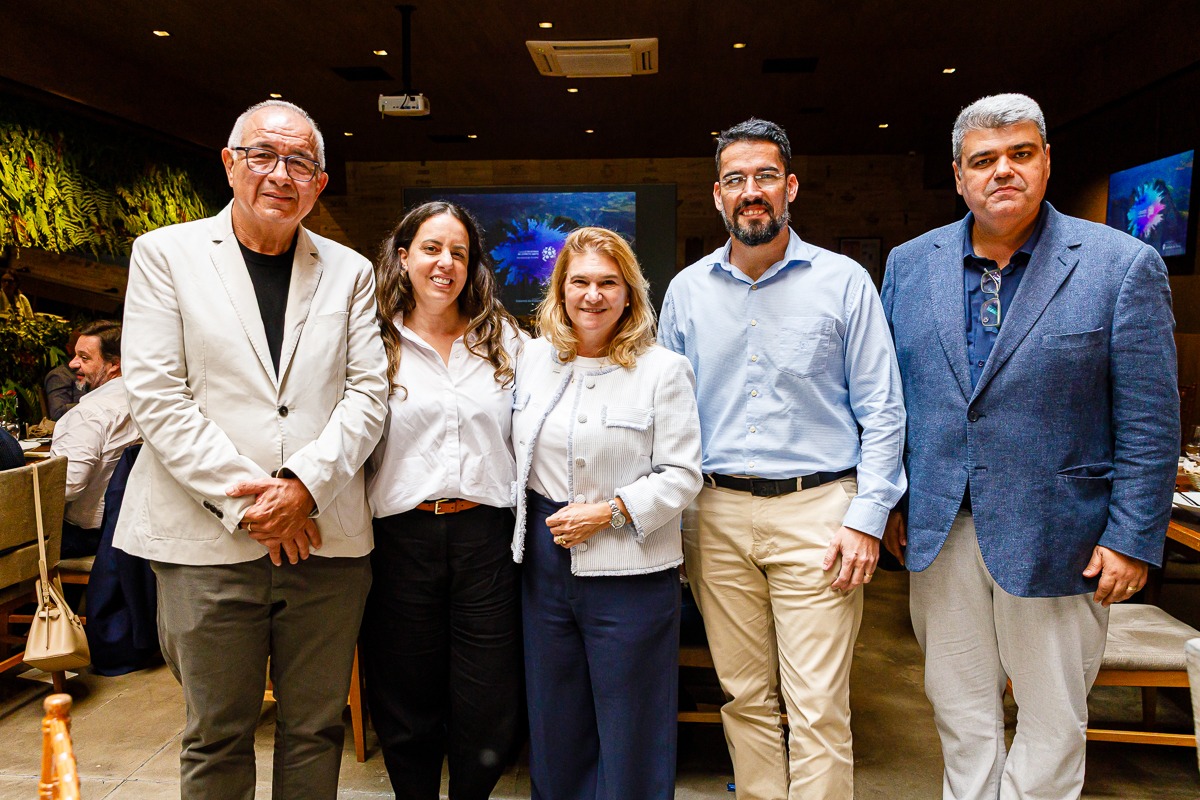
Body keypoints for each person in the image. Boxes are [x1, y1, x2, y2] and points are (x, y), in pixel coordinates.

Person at [881, 93, 1178, 800]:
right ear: (959, 176)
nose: (1002, 171)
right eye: (983, 160)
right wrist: (889, 502)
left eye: (1020, 154)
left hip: (1062, 534)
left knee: (1052, 719)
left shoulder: (1121, 265)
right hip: (939, 527)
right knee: (959, 711)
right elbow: (888, 400)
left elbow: (1149, 419)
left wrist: (1132, 537)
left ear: (1046, 161)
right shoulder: (909, 265)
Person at [114, 99, 389, 800]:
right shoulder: (166, 255)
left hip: (325, 541)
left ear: (319, 183)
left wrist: (302, 488)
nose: (280, 174)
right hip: (204, 542)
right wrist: (255, 505)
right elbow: (157, 395)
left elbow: (368, 394)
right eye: (263, 155)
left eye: (300, 162)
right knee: (216, 735)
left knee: (316, 729)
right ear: (230, 164)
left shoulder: (351, 270)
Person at [658, 118, 906, 800]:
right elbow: (666, 416)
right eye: (735, 179)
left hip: (820, 513)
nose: (751, 191)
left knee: (818, 704)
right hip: (715, 514)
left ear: (790, 187)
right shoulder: (686, 292)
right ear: (717, 195)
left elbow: (884, 410)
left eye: (765, 176)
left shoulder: (844, 282)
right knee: (743, 697)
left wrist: (867, 517)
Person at [512, 226, 702, 800]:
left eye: (607, 283)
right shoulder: (532, 359)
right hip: (544, 567)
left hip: (632, 572)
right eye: (579, 282)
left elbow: (683, 474)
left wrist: (610, 512)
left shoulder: (663, 369)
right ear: (560, 290)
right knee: (555, 719)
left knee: (632, 726)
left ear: (629, 293)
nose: (592, 295)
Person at [361, 201, 525, 799]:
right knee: (405, 694)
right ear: (403, 256)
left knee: (489, 696)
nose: (445, 263)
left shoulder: (503, 339)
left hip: (488, 539)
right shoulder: (373, 340)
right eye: (431, 249)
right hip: (400, 539)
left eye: (459, 252)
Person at [49, 320, 138, 558]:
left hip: (83, 536)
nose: (72, 363)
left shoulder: (89, 414)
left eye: (84, 357)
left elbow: (67, 487)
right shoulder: (143, 404)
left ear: (114, 364)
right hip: (124, 531)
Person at [44, 328, 88, 420]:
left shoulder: (98, 371)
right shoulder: (60, 376)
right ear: (69, 348)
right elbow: (57, 412)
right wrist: (95, 404)